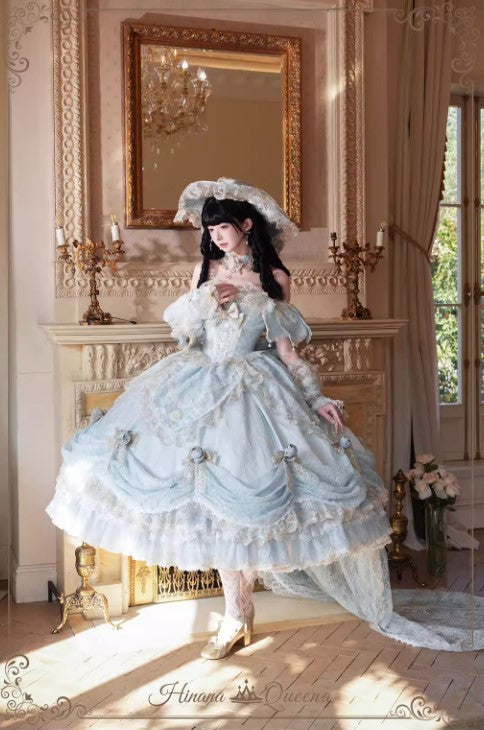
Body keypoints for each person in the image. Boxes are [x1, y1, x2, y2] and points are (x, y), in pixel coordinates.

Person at [46, 178, 484, 656]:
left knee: (247, 509)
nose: (214, 236)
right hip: (197, 382)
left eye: (222, 227)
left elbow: (287, 352)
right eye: (209, 229)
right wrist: (206, 300)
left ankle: (237, 615)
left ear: (246, 225)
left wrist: (316, 398)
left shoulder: (275, 279)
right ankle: (237, 613)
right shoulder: (204, 270)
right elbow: (185, 333)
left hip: (254, 392)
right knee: (212, 508)